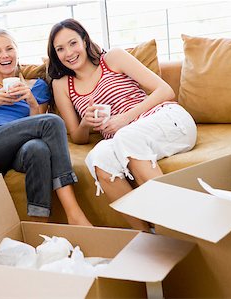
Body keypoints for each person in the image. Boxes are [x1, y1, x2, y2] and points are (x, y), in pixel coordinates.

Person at [47, 19, 197, 232]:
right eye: (60, 49)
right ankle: (148, 236)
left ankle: (181, 227)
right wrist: (85, 122)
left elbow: (165, 91)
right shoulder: (61, 85)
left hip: (165, 119)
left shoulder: (113, 58)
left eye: (73, 43)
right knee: (98, 158)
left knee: (126, 137)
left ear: (84, 40)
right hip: (124, 141)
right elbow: (78, 136)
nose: (68, 52)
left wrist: (125, 118)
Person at [0, 29, 91, 226]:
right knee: (53, 121)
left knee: (38, 149)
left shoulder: (36, 86)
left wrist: (32, 102)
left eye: (9, 49)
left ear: (17, 52)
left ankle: (39, 228)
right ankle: (74, 213)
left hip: (20, 150)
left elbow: (43, 133)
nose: (5, 55)